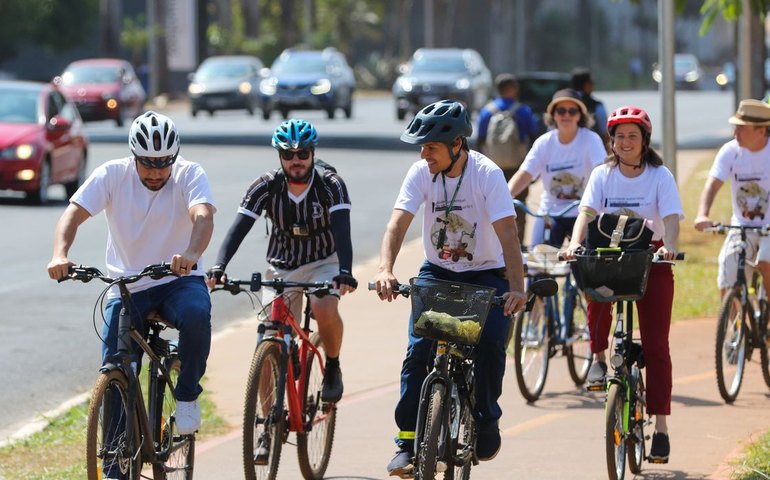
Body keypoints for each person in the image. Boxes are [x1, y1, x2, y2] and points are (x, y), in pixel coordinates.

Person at [374, 99, 527, 477]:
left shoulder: (487, 174)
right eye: (421, 147)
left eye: (431, 147)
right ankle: (406, 442)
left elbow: (508, 234)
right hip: (439, 271)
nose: (423, 154)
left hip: (487, 273)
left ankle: (487, 419)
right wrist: (385, 269)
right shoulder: (420, 173)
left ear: (457, 144)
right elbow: (397, 224)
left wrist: (517, 287)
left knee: (490, 342)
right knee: (418, 352)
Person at [46, 111, 216, 437]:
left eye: (164, 163)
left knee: (196, 314)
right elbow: (72, 215)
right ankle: (114, 460)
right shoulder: (112, 174)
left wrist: (192, 255)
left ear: (175, 157)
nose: (156, 171)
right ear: (134, 156)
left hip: (178, 280)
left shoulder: (190, 174)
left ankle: (187, 396)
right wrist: (60, 254)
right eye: (148, 163)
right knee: (115, 368)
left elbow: (203, 216)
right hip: (128, 285)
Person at [561, 106, 683, 463]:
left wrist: (670, 245)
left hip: (651, 257)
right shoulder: (602, 174)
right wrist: (574, 244)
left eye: (633, 135)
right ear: (611, 141)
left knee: (657, 346)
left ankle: (661, 427)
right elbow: (586, 213)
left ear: (645, 140)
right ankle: (598, 358)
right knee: (596, 292)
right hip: (611, 255)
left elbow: (671, 217)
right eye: (619, 136)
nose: (625, 142)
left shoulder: (660, 176)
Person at [206, 118, 356, 403]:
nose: (296, 160)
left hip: (323, 261)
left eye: (303, 153)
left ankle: (333, 366)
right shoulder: (265, 186)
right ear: (279, 156)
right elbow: (238, 228)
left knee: (323, 306)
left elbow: (342, 229)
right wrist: (219, 267)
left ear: (313, 153)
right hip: (281, 265)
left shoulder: (331, 185)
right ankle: (265, 424)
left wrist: (345, 271)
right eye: (288, 154)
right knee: (269, 335)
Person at [507, 88, 606, 249]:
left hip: (584, 211)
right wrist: (505, 196)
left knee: (588, 260)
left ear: (580, 115)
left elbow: (601, 172)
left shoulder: (591, 140)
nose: (566, 115)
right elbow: (525, 174)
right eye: (561, 111)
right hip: (550, 212)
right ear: (553, 114)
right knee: (538, 257)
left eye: (572, 111)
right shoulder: (544, 143)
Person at [694, 99, 770, 298]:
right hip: (742, 226)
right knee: (728, 275)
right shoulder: (730, 151)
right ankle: (734, 315)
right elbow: (712, 185)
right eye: (735, 127)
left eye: (742, 128)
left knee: (766, 262)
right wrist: (702, 214)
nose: (735, 133)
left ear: (761, 131)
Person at [476, 73, 538, 244]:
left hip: (492, 168)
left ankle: (496, 245)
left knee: (492, 206)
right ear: (514, 89)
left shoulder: (487, 111)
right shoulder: (523, 111)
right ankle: (519, 245)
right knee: (519, 204)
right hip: (518, 168)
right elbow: (533, 138)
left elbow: (480, 140)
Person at [570, 67, 611, 151]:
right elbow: (605, 133)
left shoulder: (563, 105)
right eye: (592, 83)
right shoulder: (597, 106)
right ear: (587, 84)